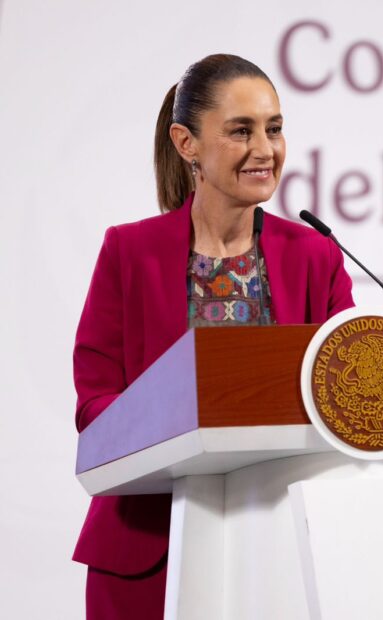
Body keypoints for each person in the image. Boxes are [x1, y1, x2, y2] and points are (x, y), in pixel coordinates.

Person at [72, 54, 354, 619]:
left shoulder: (315, 254)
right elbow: (95, 406)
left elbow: (346, 390)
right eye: (241, 131)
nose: (265, 149)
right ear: (187, 144)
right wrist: (184, 430)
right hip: (149, 550)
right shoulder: (129, 251)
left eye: (274, 128)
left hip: (281, 548)